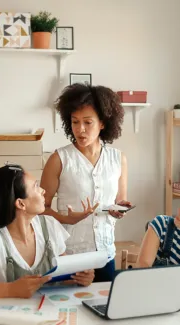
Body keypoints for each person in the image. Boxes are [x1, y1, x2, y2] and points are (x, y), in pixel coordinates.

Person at [0, 164, 95, 299]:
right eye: (35, 186)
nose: (43, 191)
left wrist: (79, 277)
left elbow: (62, 274)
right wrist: (10, 289)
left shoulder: (50, 225)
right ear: (21, 203)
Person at [41, 83, 131, 283]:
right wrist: (65, 218)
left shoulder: (118, 159)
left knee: (104, 307)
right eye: (75, 122)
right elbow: (39, 208)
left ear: (103, 123)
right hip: (70, 255)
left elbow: (120, 200)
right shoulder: (59, 159)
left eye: (87, 122)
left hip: (105, 253)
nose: (80, 129)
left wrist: (120, 209)